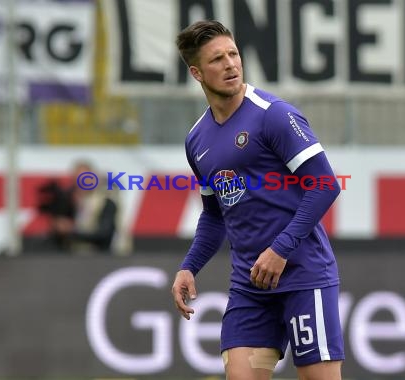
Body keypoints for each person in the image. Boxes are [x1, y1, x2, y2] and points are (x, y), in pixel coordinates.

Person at [171, 20, 344, 380]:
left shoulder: (273, 115)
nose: (231, 64)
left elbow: (325, 185)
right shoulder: (197, 140)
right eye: (217, 59)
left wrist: (280, 249)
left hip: (303, 276)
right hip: (251, 288)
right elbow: (215, 215)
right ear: (196, 72)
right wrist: (189, 266)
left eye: (233, 54)